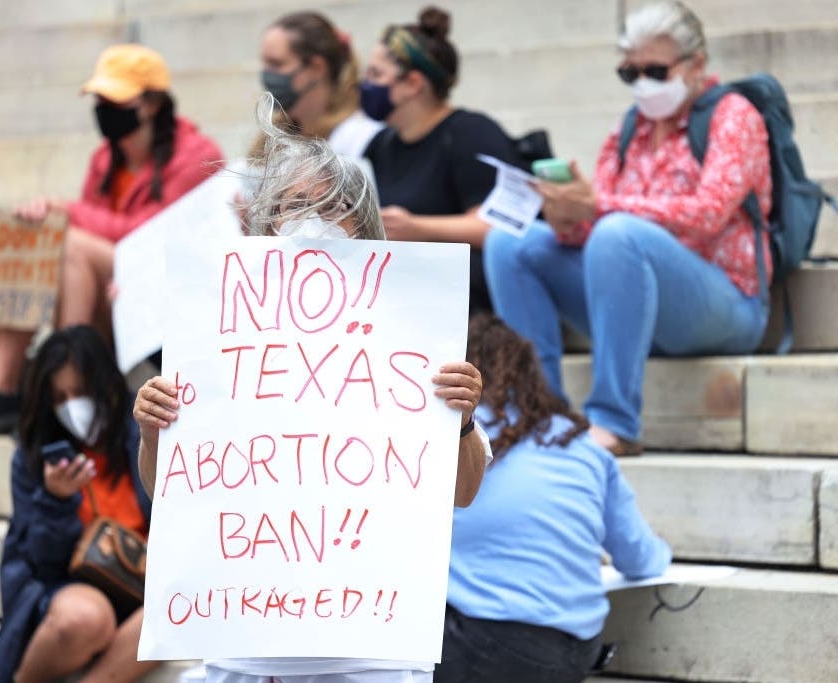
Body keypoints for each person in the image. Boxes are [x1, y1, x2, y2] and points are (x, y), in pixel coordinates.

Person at [133, 96, 491, 683]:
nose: (311, 220)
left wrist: (463, 422)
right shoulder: (217, 334)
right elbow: (171, 493)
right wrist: (154, 432)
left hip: (369, 655)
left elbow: (464, 492)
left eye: (330, 206)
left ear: (363, 223)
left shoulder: (414, 329)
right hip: (243, 648)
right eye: (293, 206)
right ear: (263, 223)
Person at [484, 0, 772, 455]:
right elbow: (597, 228)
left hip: (725, 305)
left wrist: (599, 206)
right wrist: (567, 217)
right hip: (638, 297)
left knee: (619, 231)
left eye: (655, 71)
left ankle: (614, 421)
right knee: (511, 242)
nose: (643, 84)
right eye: (629, 73)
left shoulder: (734, 116)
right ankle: (537, 412)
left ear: (696, 64)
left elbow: (709, 211)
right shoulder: (629, 129)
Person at [435, 313, 671, 683]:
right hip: (579, 649)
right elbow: (641, 558)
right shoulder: (583, 445)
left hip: (487, 648)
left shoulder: (454, 441)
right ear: (532, 375)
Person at [0, 325, 158, 683]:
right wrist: (56, 502)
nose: (72, 407)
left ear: (105, 386)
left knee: (169, 614)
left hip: (143, 582)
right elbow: (40, 562)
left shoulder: (139, 433)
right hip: (70, 585)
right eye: (60, 398)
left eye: (79, 393)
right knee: (84, 619)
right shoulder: (37, 456)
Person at [18, 43, 223, 330]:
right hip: (117, 278)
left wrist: (67, 210)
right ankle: (33, 366)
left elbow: (149, 236)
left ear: (153, 104)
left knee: (72, 246)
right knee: (41, 238)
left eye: (116, 100)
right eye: (100, 100)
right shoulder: (103, 158)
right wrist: (46, 213)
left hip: (168, 279)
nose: (104, 109)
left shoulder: (199, 156)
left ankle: (67, 365)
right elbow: (93, 229)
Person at [361, 6, 520, 315]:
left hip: (471, 294)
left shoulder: (470, 132)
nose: (364, 85)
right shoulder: (381, 144)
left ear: (413, 84)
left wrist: (417, 228)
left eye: (376, 75)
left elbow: (497, 228)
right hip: (413, 285)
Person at [258, 11, 382, 158]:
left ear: (317, 67)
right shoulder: (272, 141)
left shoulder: (359, 138)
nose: (266, 74)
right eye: (265, 63)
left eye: (277, 64)